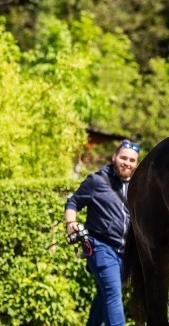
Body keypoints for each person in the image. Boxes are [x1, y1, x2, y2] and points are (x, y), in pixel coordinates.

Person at [65, 139, 140, 326]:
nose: (127, 163)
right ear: (114, 157)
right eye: (123, 157)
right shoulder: (97, 181)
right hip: (100, 246)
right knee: (113, 293)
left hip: (125, 253)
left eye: (132, 160)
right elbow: (73, 202)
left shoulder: (138, 187)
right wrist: (71, 222)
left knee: (104, 293)